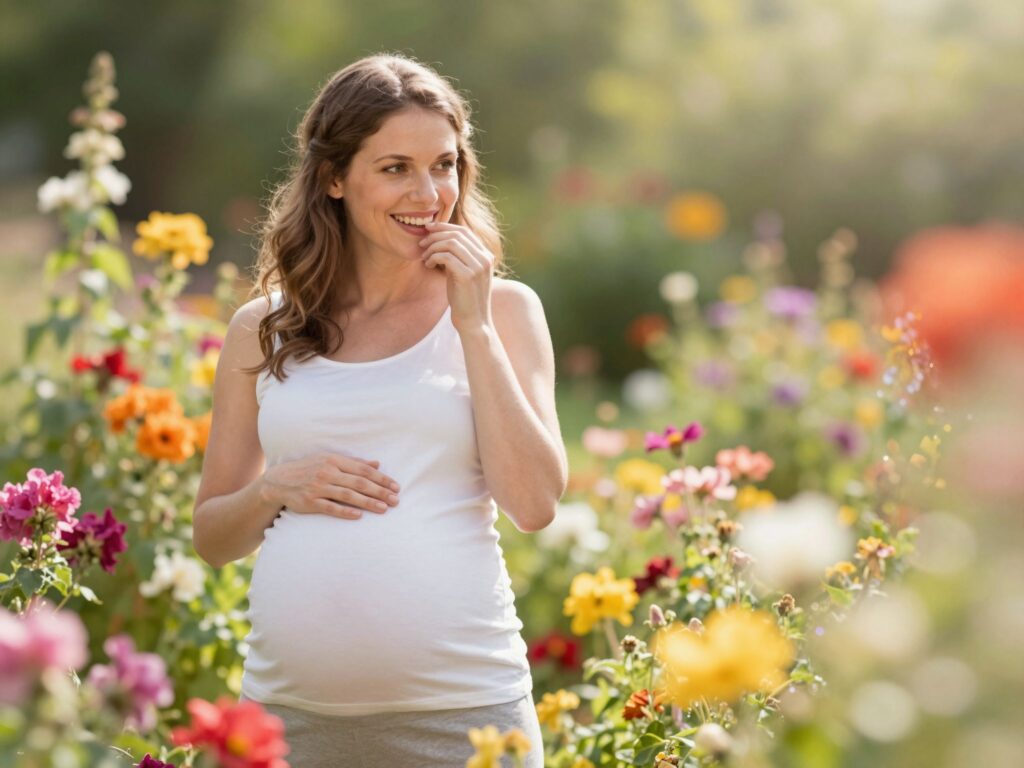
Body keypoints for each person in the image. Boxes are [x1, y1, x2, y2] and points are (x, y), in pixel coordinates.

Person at [191, 52, 567, 767]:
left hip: (465, 720)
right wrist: (274, 489)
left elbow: (535, 503)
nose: (429, 194)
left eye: (445, 165)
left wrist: (474, 326)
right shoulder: (262, 327)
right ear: (334, 178)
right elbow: (213, 537)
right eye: (395, 168)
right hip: (287, 722)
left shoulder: (506, 312)